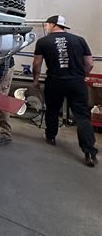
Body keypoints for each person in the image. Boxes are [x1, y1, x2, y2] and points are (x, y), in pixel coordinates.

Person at [32, 15, 98, 167]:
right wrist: (81, 75)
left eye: (47, 25)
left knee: (52, 110)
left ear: (53, 24)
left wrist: (35, 81)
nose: (46, 27)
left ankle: (51, 137)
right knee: (82, 115)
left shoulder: (43, 42)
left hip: (55, 82)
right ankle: (89, 152)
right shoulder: (79, 40)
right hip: (76, 82)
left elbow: (36, 64)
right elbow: (89, 63)